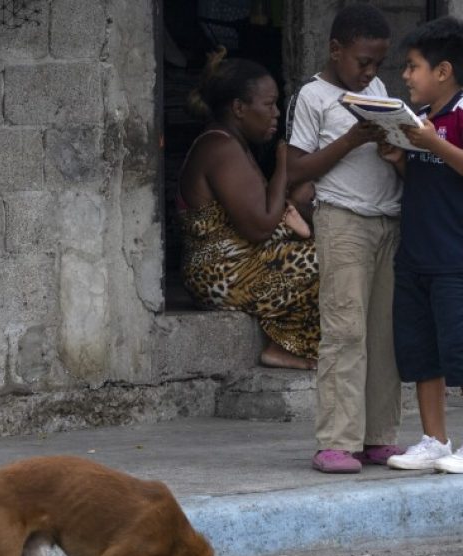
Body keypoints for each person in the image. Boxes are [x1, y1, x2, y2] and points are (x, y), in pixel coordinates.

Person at [286, 3, 405, 474]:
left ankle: (378, 436)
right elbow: (296, 168)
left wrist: (394, 144)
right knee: (345, 331)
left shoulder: (374, 90)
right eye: (362, 61)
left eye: (378, 63)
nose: (370, 72)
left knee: (383, 335)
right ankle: (336, 440)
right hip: (343, 221)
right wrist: (353, 140)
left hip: (386, 220)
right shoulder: (312, 97)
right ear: (336, 50)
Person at [178, 50, 321, 371]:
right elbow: (259, 227)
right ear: (239, 108)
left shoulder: (231, 141)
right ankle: (285, 348)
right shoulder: (221, 147)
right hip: (223, 273)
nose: (276, 113)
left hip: (239, 262)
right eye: (268, 104)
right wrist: (283, 165)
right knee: (333, 260)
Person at [382, 17, 463, 472]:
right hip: (416, 254)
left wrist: (436, 143)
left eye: (413, 66)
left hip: (455, 257)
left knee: (460, 351)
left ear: (444, 70)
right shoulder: (423, 123)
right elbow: (429, 179)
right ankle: (435, 439)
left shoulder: (458, 115)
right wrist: (400, 157)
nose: (407, 76)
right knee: (422, 352)